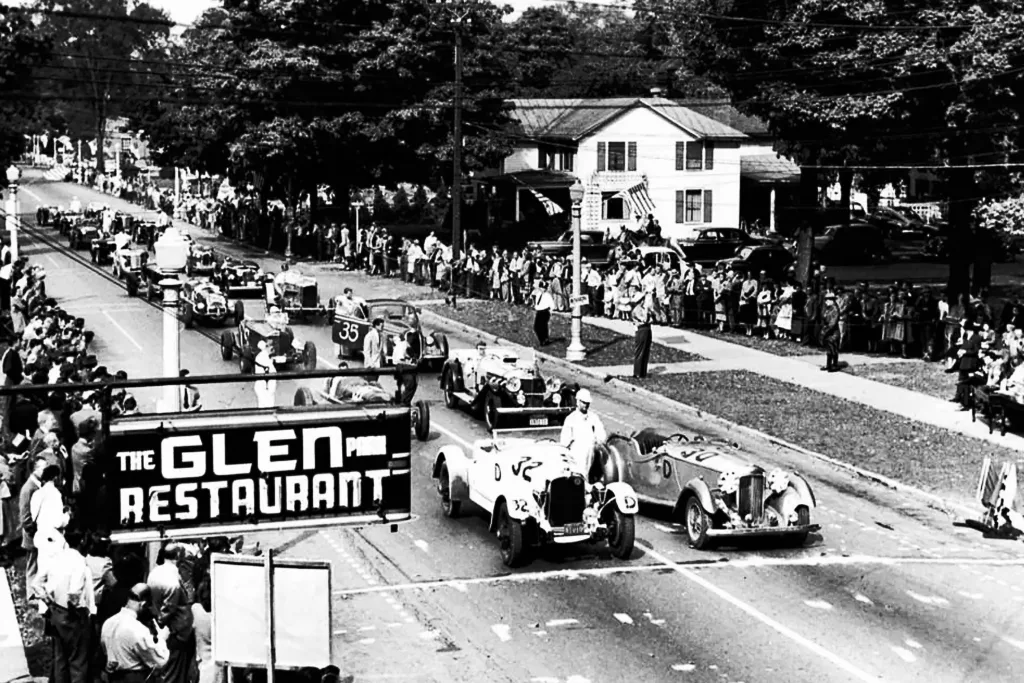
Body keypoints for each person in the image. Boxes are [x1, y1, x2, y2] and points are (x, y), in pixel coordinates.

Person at [37, 526, 94, 683]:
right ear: (82, 541)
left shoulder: (55, 557)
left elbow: (37, 584)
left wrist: (48, 601)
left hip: (55, 611)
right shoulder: (79, 561)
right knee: (78, 661)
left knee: (60, 659)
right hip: (71, 614)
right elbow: (74, 592)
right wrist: (74, 610)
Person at [101, 583, 170, 683]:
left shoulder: (107, 623)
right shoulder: (137, 629)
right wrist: (162, 639)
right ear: (143, 604)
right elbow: (160, 661)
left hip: (113, 678)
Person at [559, 389, 607, 480]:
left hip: (591, 452)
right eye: (583, 402)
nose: (586, 405)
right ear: (578, 402)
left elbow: (601, 434)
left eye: (587, 403)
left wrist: (598, 441)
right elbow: (564, 441)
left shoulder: (593, 418)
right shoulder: (571, 419)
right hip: (576, 453)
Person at [632, 293, 654, 379]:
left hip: (647, 329)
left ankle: (643, 372)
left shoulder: (643, 309)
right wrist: (646, 312)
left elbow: (651, 320)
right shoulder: (637, 310)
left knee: (646, 351)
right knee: (640, 351)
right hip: (641, 329)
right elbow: (644, 319)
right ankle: (637, 372)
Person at [392, 331, 417, 406]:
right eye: (411, 336)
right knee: (410, 382)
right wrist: (411, 364)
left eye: (413, 336)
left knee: (412, 383)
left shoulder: (407, 345)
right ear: (407, 337)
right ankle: (404, 402)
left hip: (404, 366)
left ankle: (405, 401)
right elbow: (400, 359)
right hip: (401, 366)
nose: (412, 338)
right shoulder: (402, 345)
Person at [820, 292, 842, 372]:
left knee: (833, 349)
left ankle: (834, 365)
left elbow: (833, 323)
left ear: (832, 300)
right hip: (827, 330)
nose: (826, 302)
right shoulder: (828, 309)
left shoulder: (835, 309)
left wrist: (825, 331)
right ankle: (828, 364)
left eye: (827, 300)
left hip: (833, 332)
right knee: (829, 349)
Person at [253, 341, 276, 408]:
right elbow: (272, 371)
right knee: (267, 406)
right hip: (265, 388)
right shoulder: (263, 359)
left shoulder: (260, 356)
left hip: (263, 387)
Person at [533, 280, 554, 346]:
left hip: (545, 312)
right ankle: (542, 339)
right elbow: (537, 303)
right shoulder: (538, 294)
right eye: (542, 288)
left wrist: (550, 312)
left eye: (544, 288)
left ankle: (544, 340)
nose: (543, 289)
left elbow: (552, 305)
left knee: (543, 326)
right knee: (536, 327)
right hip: (539, 312)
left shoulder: (548, 295)